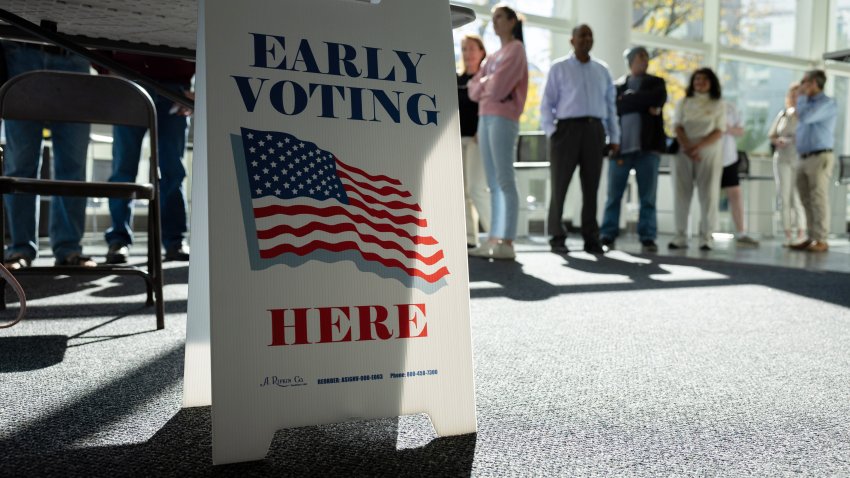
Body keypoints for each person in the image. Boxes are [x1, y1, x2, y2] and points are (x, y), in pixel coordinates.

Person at [1, 41, 96, 269]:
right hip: (21, 52)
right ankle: (20, 248)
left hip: (74, 52)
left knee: (73, 166)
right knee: (20, 165)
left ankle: (69, 248)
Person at [98, 53, 195, 264]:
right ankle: (118, 240)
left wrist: (201, 88)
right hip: (129, 82)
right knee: (124, 170)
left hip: (175, 87)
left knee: (173, 170)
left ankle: (175, 241)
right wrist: (106, 70)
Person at [540, 24, 620, 254]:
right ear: (572, 40)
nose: (587, 39)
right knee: (560, 185)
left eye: (590, 35)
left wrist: (614, 136)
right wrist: (552, 133)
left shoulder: (602, 70)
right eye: (582, 35)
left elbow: (610, 106)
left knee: (592, 187)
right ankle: (557, 234)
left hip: (595, 131)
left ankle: (591, 238)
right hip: (566, 131)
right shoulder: (559, 68)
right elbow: (547, 104)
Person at [467, 4, 528, 260]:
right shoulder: (493, 57)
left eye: (499, 18)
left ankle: (508, 242)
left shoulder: (516, 50)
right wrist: (485, 85)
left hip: (503, 117)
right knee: (492, 182)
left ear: (513, 21)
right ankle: (493, 238)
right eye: (493, 18)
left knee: (504, 179)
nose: (495, 23)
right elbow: (472, 89)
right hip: (485, 117)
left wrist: (484, 85)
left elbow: (500, 88)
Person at [599, 46, 666, 254]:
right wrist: (643, 104)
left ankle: (647, 237)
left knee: (648, 197)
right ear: (630, 61)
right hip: (620, 149)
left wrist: (630, 100)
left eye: (646, 57)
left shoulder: (657, 83)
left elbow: (655, 99)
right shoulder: (617, 86)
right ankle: (607, 234)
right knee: (614, 195)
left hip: (648, 149)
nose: (644, 61)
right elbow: (613, 108)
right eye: (640, 57)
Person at [668, 68, 726, 251]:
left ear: (712, 82)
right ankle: (680, 235)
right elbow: (677, 126)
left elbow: (719, 130)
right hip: (683, 152)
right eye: (697, 79)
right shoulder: (683, 102)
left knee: (708, 195)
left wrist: (698, 147)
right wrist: (687, 146)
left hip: (707, 153)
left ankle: (706, 237)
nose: (700, 82)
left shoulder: (718, 104)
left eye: (704, 79)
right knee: (681, 194)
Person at [790, 69, 836, 253]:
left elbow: (806, 117)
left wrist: (800, 97)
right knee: (805, 199)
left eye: (804, 82)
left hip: (819, 156)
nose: (801, 86)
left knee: (818, 199)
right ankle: (811, 237)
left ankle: (822, 239)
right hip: (803, 156)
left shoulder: (828, 103)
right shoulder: (806, 103)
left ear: (814, 83)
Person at [457, 34, 491, 249]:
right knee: (463, 191)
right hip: (457, 139)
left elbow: (489, 106)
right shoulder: (456, 79)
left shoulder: (486, 78)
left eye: (472, 48)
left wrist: (482, 129)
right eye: (465, 49)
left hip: (478, 139)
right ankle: (470, 238)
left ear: (481, 52)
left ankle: (496, 235)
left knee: (477, 188)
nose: (468, 53)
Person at [768, 83, 806, 246]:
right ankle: (788, 234)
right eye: (792, 95)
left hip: (798, 159)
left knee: (797, 197)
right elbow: (772, 134)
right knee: (784, 196)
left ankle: (802, 233)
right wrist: (778, 141)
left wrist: (791, 140)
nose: (794, 98)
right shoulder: (783, 114)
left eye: (798, 95)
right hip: (782, 158)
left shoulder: (807, 115)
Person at [720, 102, 758, 246]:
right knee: (707, 196)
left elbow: (741, 130)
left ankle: (742, 233)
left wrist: (727, 128)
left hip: (728, 158)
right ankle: (706, 231)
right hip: (708, 158)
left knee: (735, 194)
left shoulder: (730, 107)